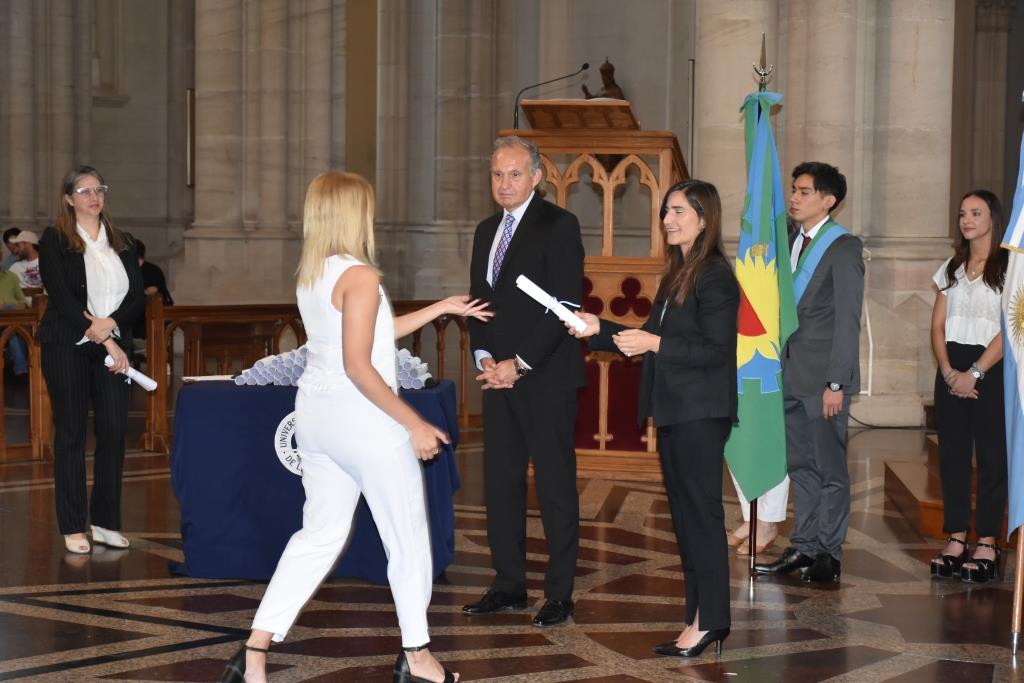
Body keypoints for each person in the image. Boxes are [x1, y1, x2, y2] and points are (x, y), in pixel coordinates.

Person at [219, 171, 484, 683]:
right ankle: (418, 656)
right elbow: (361, 364)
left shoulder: (314, 273)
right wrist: (415, 424)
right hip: (363, 421)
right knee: (406, 538)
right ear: (353, 213)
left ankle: (253, 650)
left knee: (318, 535)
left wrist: (440, 307)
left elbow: (370, 336)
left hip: (315, 420)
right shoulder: (360, 276)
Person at [569, 179, 738, 657]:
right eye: (667, 210)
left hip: (701, 412)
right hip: (677, 409)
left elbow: (715, 349)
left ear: (704, 218)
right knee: (685, 518)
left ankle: (710, 621)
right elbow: (646, 336)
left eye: (680, 211)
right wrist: (599, 328)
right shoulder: (678, 274)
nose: (668, 219)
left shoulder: (715, 275)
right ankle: (699, 616)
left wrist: (654, 343)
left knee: (701, 517)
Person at [462, 135, 585, 628]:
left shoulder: (560, 225)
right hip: (498, 378)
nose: (504, 183)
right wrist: (488, 356)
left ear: (536, 176)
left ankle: (559, 593)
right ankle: (508, 584)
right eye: (497, 174)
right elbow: (478, 300)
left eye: (515, 174)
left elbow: (566, 306)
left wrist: (521, 362)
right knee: (501, 484)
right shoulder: (485, 229)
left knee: (554, 487)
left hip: (545, 377)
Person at [754, 161, 864, 584]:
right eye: (793, 190)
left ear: (828, 200)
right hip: (786, 373)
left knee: (829, 468)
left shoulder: (843, 247)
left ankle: (828, 553)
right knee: (799, 464)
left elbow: (847, 321)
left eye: (803, 192)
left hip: (822, 382)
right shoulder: (788, 240)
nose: (794, 198)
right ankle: (803, 545)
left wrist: (837, 383)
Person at [37, 166, 145, 555]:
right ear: (68, 199)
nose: (93, 196)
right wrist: (104, 339)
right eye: (83, 191)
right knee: (70, 437)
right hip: (68, 346)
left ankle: (104, 522)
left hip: (112, 345)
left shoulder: (123, 240)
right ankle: (73, 525)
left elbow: (136, 297)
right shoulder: (55, 240)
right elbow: (64, 298)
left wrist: (112, 327)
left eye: (98, 188)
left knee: (115, 432)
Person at [929, 189, 1007, 583]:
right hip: (951, 367)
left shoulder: (1012, 266)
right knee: (953, 457)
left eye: (975, 213)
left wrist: (974, 373)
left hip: (992, 369)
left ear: (993, 216)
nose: (967, 220)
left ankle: (989, 542)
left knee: (993, 458)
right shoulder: (953, 265)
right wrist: (947, 371)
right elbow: (938, 325)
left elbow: (1010, 328)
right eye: (962, 213)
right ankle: (957, 536)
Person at [0, 266, 29, 376]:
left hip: (12, 319)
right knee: (14, 331)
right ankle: (21, 372)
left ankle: (20, 371)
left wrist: (9, 307)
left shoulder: (11, 277)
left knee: (13, 331)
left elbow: (24, 303)